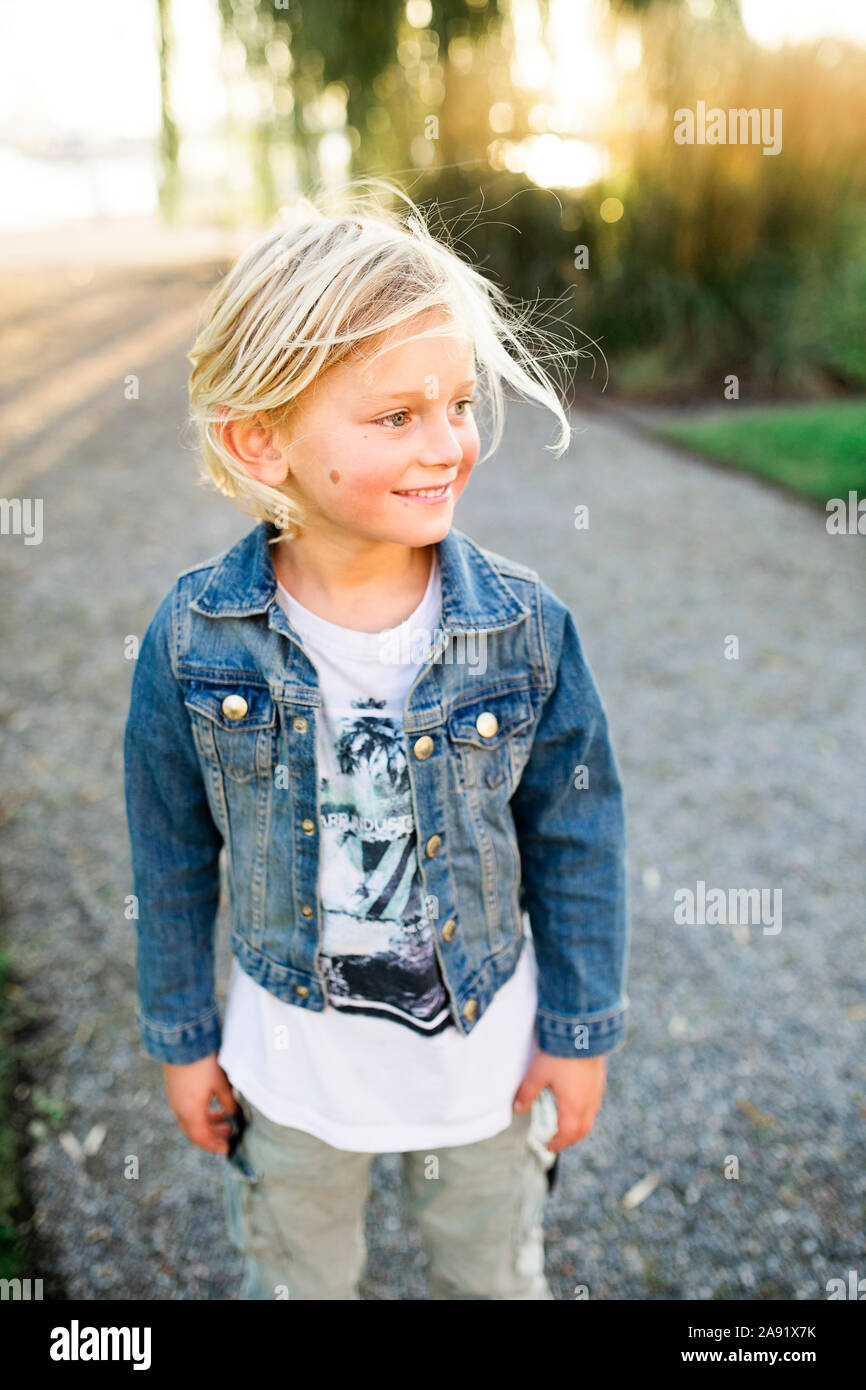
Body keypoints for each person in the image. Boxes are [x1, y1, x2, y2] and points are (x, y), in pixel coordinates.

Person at [123, 180, 630, 1301]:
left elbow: (576, 836)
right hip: (291, 1077)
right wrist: (181, 1036)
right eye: (395, 416)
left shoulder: (526, 633)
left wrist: (578, 1028)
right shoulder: (193, 641)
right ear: (262, 440)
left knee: (490, 1281)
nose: (447, 442)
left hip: (484, 1073)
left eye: (454, 402)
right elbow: (167, 859)